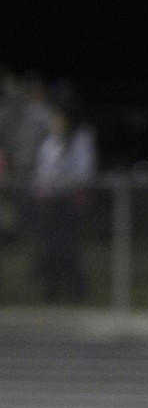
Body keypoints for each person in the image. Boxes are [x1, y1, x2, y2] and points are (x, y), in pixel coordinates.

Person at [30, 97, 98, 300]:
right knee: (51, 247)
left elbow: (85, 172)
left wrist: (63, 180)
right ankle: (52, 289)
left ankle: (79, 289)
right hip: (51, 201)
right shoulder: (49, 142)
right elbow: (41, 171)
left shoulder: (80, 139)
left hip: (70, 201)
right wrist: (41, 189)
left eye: (58, 118)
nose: (55, 122)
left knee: (67, 248)